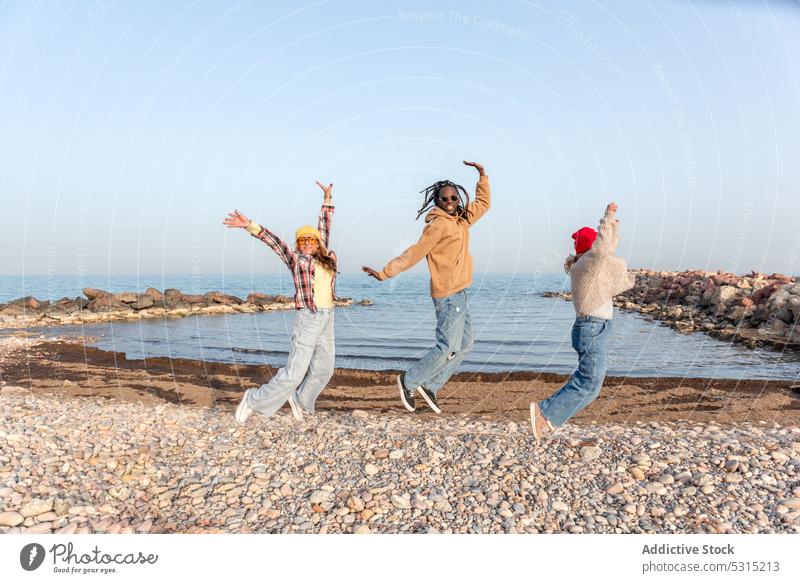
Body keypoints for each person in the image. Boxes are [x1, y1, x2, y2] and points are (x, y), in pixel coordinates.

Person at [363, 161, 490, 414]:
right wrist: (386, 272)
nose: (450, 200)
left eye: (454, 196)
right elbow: (414, 253)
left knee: (465, 345)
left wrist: (482, 176)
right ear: (437, 200)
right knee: (447, 346)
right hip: (448, 294)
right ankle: (408, 381)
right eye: (445, 198)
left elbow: (483, 205)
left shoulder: (461, 221)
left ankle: (431, 385)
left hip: (461, 292)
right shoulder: (438, 225)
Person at [223, 181, 338, 425]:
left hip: (328, 317)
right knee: (294, 373)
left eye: (311, 240)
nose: (307, 243)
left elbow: (324, 227)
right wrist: (250, 226)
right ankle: (253, 399)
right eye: (302, 241)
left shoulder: (325, 257)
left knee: (324, 369)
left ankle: (301, 400)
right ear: (298, 245)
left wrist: (327, 199)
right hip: (309, 317)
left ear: (317, 243)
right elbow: (274, 241)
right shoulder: (296, 260)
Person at [530, 202, 635, 444]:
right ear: (592, 246)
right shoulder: (588, 263)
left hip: (596, 329)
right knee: (588, 381)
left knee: (592, 385)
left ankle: (548, 417)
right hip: (592, 328)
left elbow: (606, 246)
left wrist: (614, 230)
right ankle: (543, 413)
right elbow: (603, 247)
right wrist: (608, 218)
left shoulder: (588, 266)